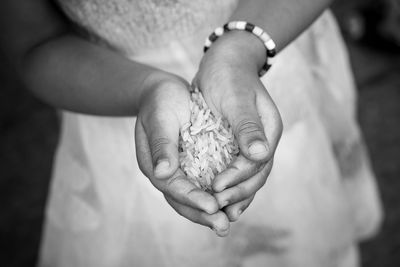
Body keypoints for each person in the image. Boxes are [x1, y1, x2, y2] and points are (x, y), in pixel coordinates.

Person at [0, 0, 382, 266]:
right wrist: (148, 89)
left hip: (265, 46)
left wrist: (241, 48)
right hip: (116, 89)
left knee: (300, 212)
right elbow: (36, 45)